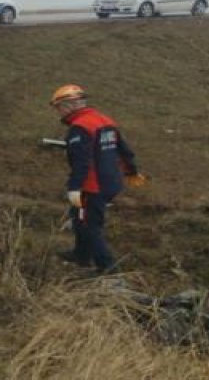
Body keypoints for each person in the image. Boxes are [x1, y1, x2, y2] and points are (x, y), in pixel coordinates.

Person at [50, 84, 146, 274]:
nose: (59, 112)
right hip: (112, 181)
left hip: (92, 186)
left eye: (59, 108)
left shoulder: (80, 128)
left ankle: (108, 269)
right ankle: (81, 255)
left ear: (69, 105)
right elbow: (123, 149)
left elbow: (81, 162)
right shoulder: (104, 120)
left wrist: (74, 188)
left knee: (88, 225)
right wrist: (132, 171)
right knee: (79, 217)